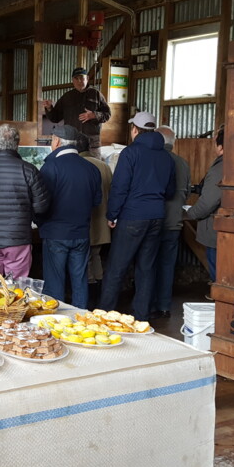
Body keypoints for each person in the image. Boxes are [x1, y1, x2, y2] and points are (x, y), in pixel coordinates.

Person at [99, 111, 176, 321]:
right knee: (146, 267)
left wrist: (112, 214)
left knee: (117, 267)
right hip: (157, 216)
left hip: (132, 217)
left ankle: (104, 314)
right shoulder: (166, 157)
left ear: (135, 130)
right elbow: (170, 191)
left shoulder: (130, 153)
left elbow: (119, 188)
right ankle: (141, 315)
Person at [37, 124, 102, 309]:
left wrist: (39, 223)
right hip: (81, 233)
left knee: (55, 284)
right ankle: (80, 320)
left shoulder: (50, 167)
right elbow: (96, 201)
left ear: (56, 141)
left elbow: (42, 204)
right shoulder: (91, 168)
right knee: (80, 282)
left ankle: (55, 323)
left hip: (55, 233)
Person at [0, 124, 50, 279]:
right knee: (17, 289)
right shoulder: (28, 170)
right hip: (18, 238)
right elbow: (41, 207)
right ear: (17, 144)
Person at [150, 126, 191, 320]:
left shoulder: (154, 160)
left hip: (154, 220)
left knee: (148, 263)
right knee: (167, 265)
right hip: (175, 221)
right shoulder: (183, 163)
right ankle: (164, 305)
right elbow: (187, 192)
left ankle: (147, 303)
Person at [42, 67, 111, 157]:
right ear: (72, 80)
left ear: (87, 78)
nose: (79, 81)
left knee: (94, 166)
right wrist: (49, 108)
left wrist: (94, 115)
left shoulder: (96, 94)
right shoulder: (67, 97)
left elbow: (107, 114)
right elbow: (55, 117)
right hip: (71, 142)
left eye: (82, 78)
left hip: (92, 143)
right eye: (76, 78)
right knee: (71, 167)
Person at [76, 133, 113, 300]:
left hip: (85, 221)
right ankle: (100, 293)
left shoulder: (79, 164)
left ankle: (90, 296)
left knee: (86, 260)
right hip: (102, 221)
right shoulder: (103, 165)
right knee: (96, 256)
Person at [187, 127, 224, 282]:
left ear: (220, 147)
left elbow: (209, 201)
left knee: (218, 274)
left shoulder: (220, 168)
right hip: (222, 230)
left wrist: (190, 213)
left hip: (216, 229)